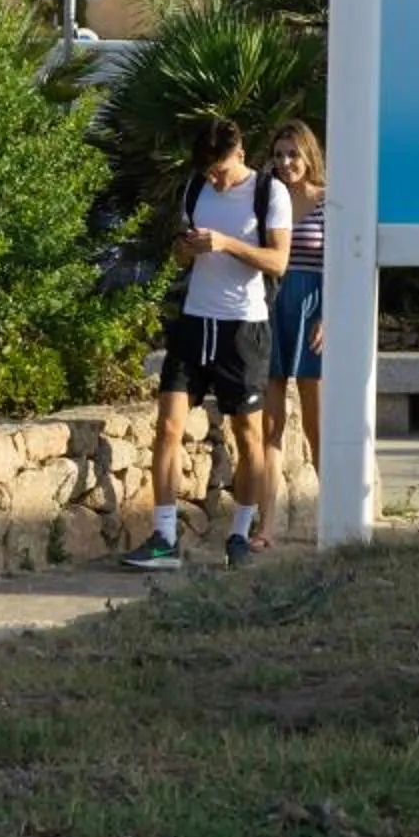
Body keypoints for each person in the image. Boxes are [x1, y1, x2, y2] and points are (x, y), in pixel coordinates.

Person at [121, 114, 291, 572]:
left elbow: (278, 261)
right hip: (195, 321)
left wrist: (227, 243)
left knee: (248, 434)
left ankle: (239, 533)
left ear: (239, 154)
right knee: (169, 427)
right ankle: (164, 537)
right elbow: (179, 255)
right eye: (207, 172)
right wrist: (186, 249)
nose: (214, 179)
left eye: (219, 170)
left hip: (243, 328)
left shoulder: (268, 192)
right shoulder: (195, 189)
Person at [261, 120, 326, 527]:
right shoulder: (267, 199)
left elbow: (344, 261)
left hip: (312, 309)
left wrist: (330, 315)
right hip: (271, 308)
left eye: (293, 154)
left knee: (316, 426)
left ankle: (335, 520)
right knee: (270, 426)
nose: (286, 162)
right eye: (279, 154)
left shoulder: (328, 200)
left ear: (308, 155)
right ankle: (266, 525)